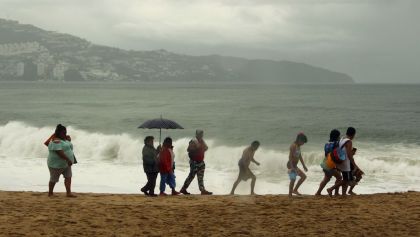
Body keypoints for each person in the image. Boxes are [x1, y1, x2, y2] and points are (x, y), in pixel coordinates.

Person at [327, 127, 363, 196]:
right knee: (346, 179)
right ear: (353, 134)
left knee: (346, 179)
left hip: (341, 162)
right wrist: (355, 165)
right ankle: (331, 189)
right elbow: (349, 155)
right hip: (346, 163)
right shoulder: (349, 141)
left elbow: (343, 151)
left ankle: (344, 193)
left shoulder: (342, 139)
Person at [47, 124, 76, 197]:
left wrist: (69, 140)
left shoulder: (64, 139)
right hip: (56, 164)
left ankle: (68, 193)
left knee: (68, 177)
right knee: (53, 179)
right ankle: (50, 193)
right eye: (63, 133)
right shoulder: (55, 141)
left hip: (66, 164)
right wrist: (68, 160)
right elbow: (59, 152)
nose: (65, 134)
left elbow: (68, 148)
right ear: (58, 133)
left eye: (65, 132)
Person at [180, 130, 212, 195]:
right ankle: (183, 189)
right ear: (197, 134)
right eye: (200, 134)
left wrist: (202, 148)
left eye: (202, 134)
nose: (201, 135)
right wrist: (197, 148)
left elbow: (206, 148)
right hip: (194, 162)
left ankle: (202, 190)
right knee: (191, 176)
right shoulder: (193, 141)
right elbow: (188, 149)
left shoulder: (202, 141)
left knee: (200, 177)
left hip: (201, 161)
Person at [315, 129, 342, 196]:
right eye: (339, 136)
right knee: (339, 177)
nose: (340, 137)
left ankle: (318, 192)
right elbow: (337, 154)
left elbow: (326, 155)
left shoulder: (327, 144)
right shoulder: (336, 143)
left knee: (326, 179)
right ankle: (336, 192)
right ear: (337, 136)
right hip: (331, 164)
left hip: (325, 163)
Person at [288, 133, 308, 197]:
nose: (303, 144)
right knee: (293, 179)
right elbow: (290, 157)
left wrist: (304, 165)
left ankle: (295, 190)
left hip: (295, 165)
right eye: (303, 142)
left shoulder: (298, 146)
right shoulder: (293, 146)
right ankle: (290, 194)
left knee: (303, 176)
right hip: (290, 165)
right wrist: (292, 167)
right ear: (299, 140)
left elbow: (300, 156)